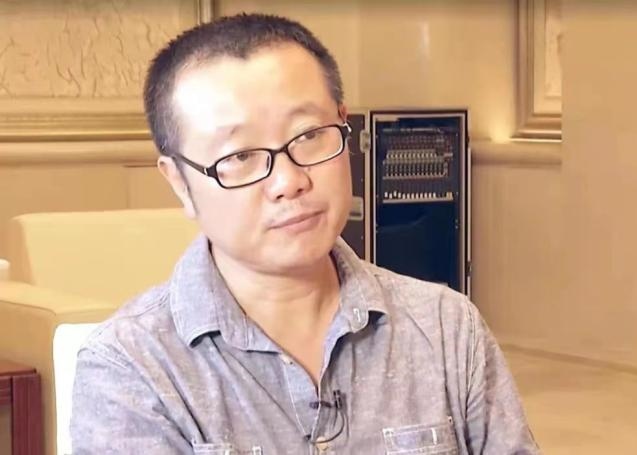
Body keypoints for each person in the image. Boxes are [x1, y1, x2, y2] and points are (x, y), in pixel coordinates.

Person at [70, 13, 539, 454]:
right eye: (240, 156)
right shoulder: (131, 367)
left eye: (310, 135)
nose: (289, 180)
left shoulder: (446, 327)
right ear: (179, 182)